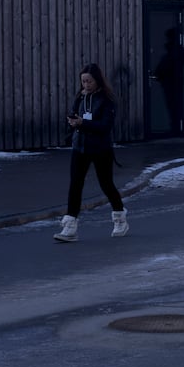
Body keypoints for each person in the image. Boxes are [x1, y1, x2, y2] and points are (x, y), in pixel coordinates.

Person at [52, 63, 128, 242]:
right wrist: (72, 121)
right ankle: (70, 226)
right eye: (83, 81)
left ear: (98, 80)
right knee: (75, 184)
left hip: (101, 148)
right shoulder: (80, 97)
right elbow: (75, 113)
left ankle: (120, 218)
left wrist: (83, 123)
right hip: (80, 147)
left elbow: (105, 126)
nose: (86, 85)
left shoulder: (106, 100)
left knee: (106, 184)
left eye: (89, 81)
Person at [154, 27, 184, 134]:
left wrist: (159, 73)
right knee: (174, 106)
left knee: (173, 106)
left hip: (171, 82)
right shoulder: (176, 50)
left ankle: (176, 127)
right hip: (172, 82)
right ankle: (176, 127)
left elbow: (167, 65)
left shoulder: (174, 51)